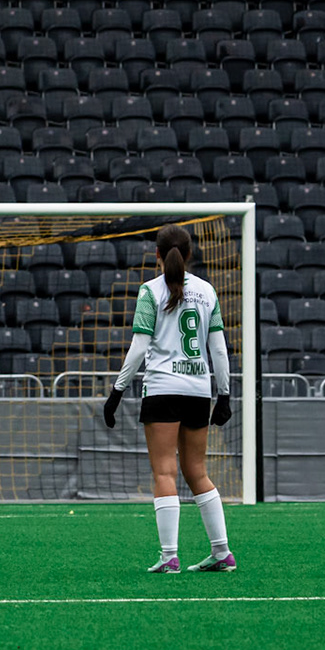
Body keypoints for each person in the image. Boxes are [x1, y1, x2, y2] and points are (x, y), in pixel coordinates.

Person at [102, 225, 234, 573]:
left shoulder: (150, 291)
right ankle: (222, 552)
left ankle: (169, 556)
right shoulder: (207, 292)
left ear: (157, 254)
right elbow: (218, 348)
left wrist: (117, 390)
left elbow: (140, 347)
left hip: (162, 389)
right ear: (189, 255)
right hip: (197, 391)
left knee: (164, 471)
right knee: (197, 472)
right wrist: (224, 393)